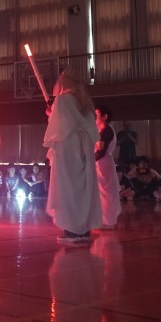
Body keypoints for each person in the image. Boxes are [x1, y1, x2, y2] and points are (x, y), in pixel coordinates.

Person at [44, 67, 102, 243]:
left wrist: (52, 114)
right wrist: (54, 114)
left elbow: (60, 128)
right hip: (83, 147)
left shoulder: (63, 100)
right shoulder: (84, 102)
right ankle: (83, 230)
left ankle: (72, 230)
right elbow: (79, 123)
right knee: (83, 187)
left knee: (68, 186)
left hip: (68, 148)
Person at [94, 106, 121, 230]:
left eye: (97, 115)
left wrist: (88, 161)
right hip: (100, 163)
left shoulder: (107, 131)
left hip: (104, 164)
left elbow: (101, 152)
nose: (95, 118)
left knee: (106, 192)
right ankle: (103, 219)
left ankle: (108, 221)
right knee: (101, 192)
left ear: (105, 117)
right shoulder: (101, 130)